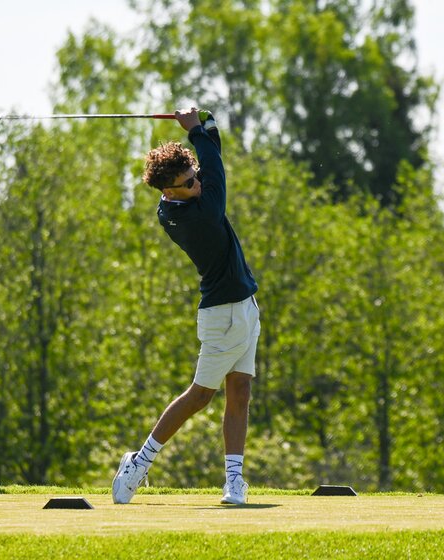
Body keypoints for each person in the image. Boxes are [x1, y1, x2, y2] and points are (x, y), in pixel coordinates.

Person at [112, 108, 260, 505]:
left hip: (245, 307)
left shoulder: (189, 196)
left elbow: (212, 164)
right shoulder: (192, 213)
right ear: (169, 192)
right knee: (200, 396)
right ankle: (139, 463)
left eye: (195, 176)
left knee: (240, 390)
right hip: (222, 315)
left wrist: (207, 128)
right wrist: (196, 129)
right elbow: (217, 174)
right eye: (188, 182)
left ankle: (234, 479)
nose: (197, 183)